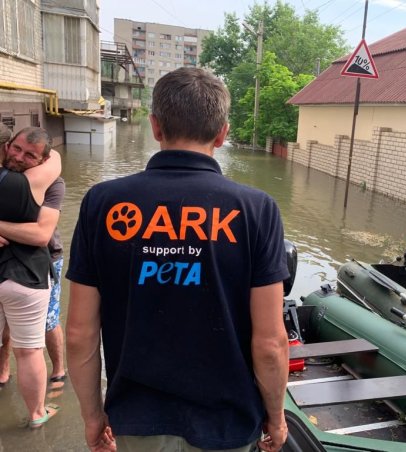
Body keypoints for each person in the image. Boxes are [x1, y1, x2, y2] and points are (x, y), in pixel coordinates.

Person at [66, 67, 290, 452]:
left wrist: (93, 416)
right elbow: (270, 342)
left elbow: (79, 333)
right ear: (223, 133)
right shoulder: (256, 209)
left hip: (137, 420)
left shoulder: (102, 203)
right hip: (228, 424)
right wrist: (276, 415)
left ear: (155, 127)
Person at [0, 125, 62, 427]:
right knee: (29, 351)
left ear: (41, 160)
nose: (20, 157)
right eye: (16, 149)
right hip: (27, 276)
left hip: (21, 277)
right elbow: (40, 235)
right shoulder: (44, 181)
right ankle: (37, 414)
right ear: (6, 144)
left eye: (30, 155)